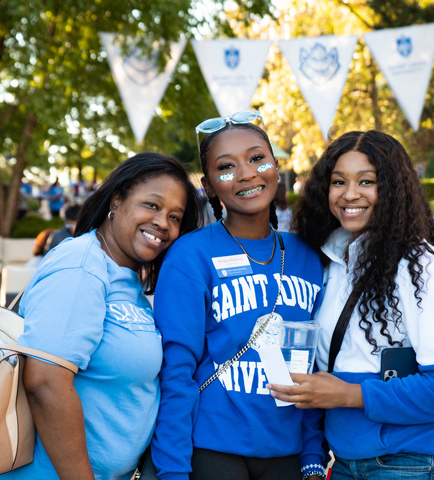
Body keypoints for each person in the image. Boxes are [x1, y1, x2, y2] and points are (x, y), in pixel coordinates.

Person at [269, 131, 434, 480]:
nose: (350, 194)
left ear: (393, 189)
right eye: (339, 182)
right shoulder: (332, 260)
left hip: (411, 463)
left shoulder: (418, 267)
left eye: (367, 181)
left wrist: (351, 394)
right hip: (350, 462)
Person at [0, 152, 200, 480]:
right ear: (116, 201)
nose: (163, 223)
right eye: (152, 205)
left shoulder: (124, 276)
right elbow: (45, 383)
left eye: (175, 217)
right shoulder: (81, 266)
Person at [152, 110, 326, 480]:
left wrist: (312, 452)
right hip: (212, 450)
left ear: (275, 166)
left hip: (289, 453)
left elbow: (310, 365)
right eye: (226, 167)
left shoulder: (307, 257)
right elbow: (176, 372)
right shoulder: (190, 255)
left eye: (257, 158)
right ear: (210, 185)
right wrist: (172, 471)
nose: (246, 173)